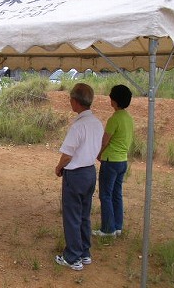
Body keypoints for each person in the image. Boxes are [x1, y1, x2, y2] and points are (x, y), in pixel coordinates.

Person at [54, 83, 104, 271]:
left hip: (75, 174)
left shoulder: (78, 126)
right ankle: (84, 252)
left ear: (75, 102)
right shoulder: (97, 123)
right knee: (84, 215)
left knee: (72, 216)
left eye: (70, 100)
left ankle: (72, 257)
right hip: (90, 172)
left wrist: (59, 168)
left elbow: (67, 155)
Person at [93, 85, 134, 237]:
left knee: (105, 195)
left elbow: (105, 141)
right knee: (117, 194)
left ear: (114, 100)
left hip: (110, 161)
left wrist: (98, 154)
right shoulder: (128, 118)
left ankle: (108, 229)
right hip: (122, 161)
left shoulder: (114, 119)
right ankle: (118, 226)